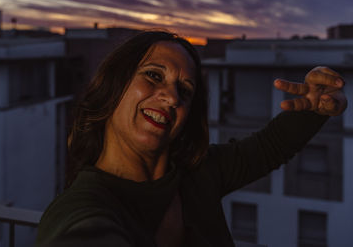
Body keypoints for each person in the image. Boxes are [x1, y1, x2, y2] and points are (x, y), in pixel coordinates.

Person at [35, 30, 347, 247]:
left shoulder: (199, 173)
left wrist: (315, 107)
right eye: (154, 76)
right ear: (112, 87)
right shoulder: (79, 209)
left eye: (185, 91)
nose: (171, 97)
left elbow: (269, 148)